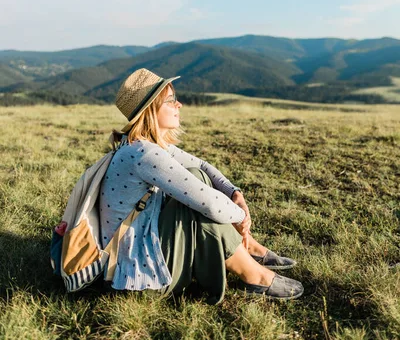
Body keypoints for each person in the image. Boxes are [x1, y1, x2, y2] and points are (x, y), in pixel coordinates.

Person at [99, 68, 304, 303]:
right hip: (133, 276)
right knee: (195, 204)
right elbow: (210, 204)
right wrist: (241, 218)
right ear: (150, 111)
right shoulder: (144, 154)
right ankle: (254, 274)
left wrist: (234, 192)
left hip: (139, 247)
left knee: (197, 176)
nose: (180, 105)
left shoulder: (144, 145)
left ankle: (249, 250)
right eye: (171, 100)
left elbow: (202, 166)